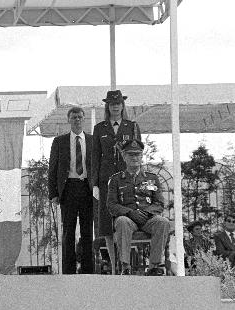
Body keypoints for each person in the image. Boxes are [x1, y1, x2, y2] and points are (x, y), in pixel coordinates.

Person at [92, 90, 141, 274]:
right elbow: (95, 157)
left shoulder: (131, 126)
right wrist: (94, 184)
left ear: (122, 105)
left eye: (118, 103)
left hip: (126, 179)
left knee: (124, 221)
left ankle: (125, 263)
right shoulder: (100, 128)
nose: (115, 106)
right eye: (112, 103)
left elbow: (136, 154)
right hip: (106, 181)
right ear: (107, 106)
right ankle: (114, 266)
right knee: (106, 225)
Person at [107, 139, 170, 275]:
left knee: (163, 222)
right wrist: (130, 213)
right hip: (128, 219)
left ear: (142, 156)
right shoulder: (116, 180)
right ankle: (126, 266)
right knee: (121, 221)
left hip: (148, 219)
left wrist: (146, 213)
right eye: (130, 154)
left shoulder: (152, 178)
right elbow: (111, 205)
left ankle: (154, 266)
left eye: (137, 154)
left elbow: (159, 203)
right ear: (124, 156)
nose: (134, 158)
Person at [48, 107, 93, 274]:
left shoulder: (92, 140)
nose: (77, 120)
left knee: (88, 230)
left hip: (87, 188)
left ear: (84, 119)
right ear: (69, 119)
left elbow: (95, 166)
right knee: (68, 231)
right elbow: (52, 168)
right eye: (74, 117)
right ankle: (68, 271)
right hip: (69, 189)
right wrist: (53, 193)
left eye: (80, 117)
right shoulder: (59, 141)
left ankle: (89, 270)